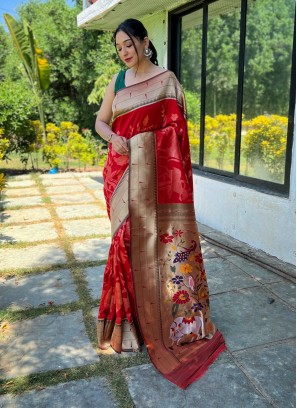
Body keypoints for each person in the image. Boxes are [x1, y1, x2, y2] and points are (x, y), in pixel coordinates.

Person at [95, 18, 226, 389]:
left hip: (158, 182)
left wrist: (145, 142)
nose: (124, 52)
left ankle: (171, 320)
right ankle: (130, 326)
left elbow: (177, 132)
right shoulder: (118, 82)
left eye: (128, 44)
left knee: (161, 250)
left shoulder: (166, 80)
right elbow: (101, 122)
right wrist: (114, 139)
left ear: (144, 41)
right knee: (125, 245)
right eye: (118, 47)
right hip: (122, 177)